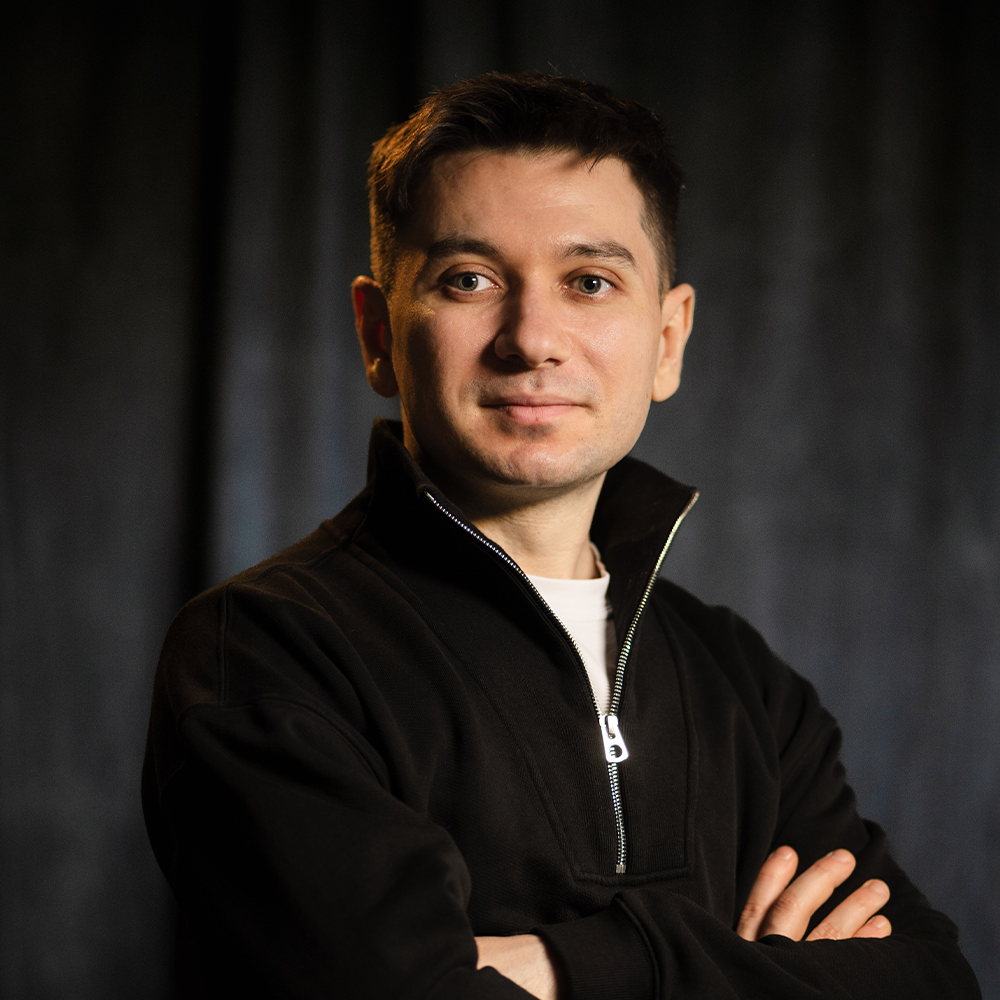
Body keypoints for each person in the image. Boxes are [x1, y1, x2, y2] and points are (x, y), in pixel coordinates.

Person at [142, 72, 980, 998]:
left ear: (668, 341)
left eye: (589, 282)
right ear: (379, 334)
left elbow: (932, 979)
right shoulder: (268, 652)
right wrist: (759, 971)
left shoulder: (744, 682)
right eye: (469, 280)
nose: (532, 338)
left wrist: (559, 966)